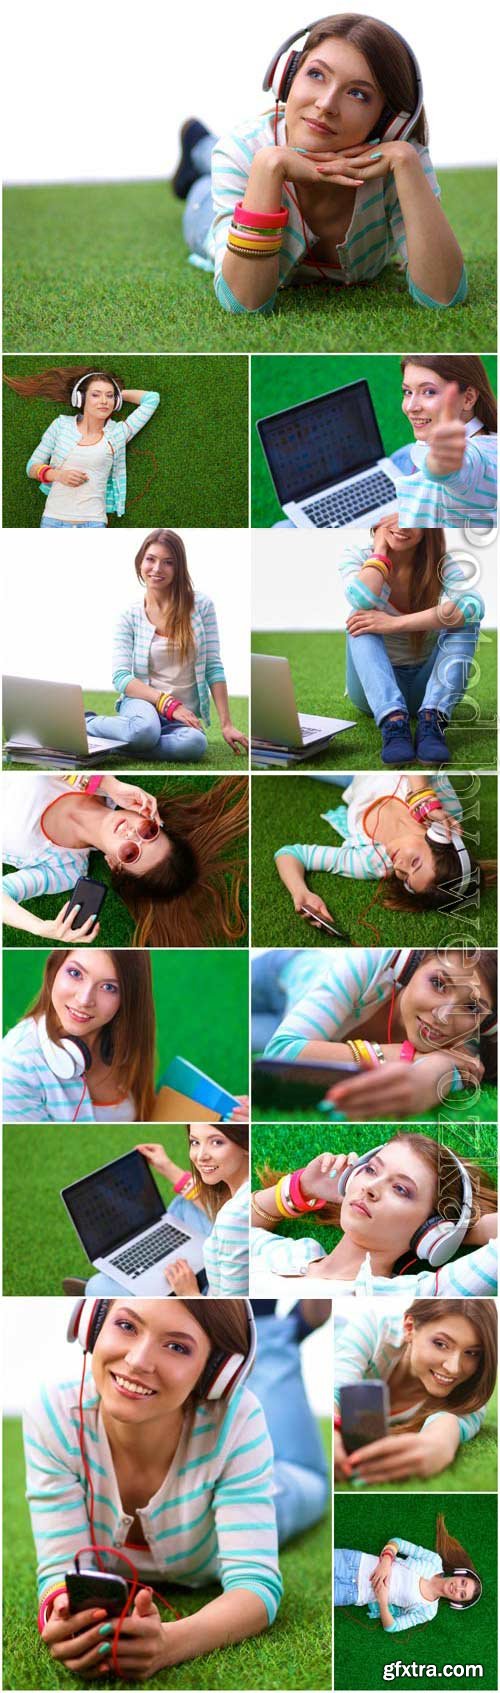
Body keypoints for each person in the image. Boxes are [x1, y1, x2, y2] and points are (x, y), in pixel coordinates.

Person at [24, 1299, 283, 1678]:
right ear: (92, 1325)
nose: (138, 1361)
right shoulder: (54, 1415)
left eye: (177, 1346)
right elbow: (59, 1573)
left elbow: (256, 1583)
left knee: (304, 1486)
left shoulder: (239, 1419)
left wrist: (170, 1643)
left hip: (270, 1496)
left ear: (215, 1373)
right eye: (127, 1326)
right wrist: (59, 1610)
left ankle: (282, 1336)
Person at [172, 15, 466, 315]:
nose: (326, 104)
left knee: (215, 156)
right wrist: (267, 168)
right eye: (316, 74)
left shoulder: (403, 160)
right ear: (287, 77)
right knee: (204, 186)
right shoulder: (242, 152)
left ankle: (199, 144)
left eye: (358, 94)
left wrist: (406, 162)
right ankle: (199, 145)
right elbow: (244, 302)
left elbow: (443, 295)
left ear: (389, 121)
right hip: (212, 204)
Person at [2, 770, 248, 947]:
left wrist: (39, 927)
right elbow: (44, 752)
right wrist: (110, 785)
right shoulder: (102, 781)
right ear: (152, 818)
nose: (132, 834)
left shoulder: (65, 870)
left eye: (131, 853)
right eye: (148, 832)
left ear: (113, 864)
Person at [254, 946, 497, 1119]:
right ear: (411, 965)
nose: (444, 1016)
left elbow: (273, 1061)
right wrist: (407, 1056)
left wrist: (432, 1072)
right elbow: (283, 1052)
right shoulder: (372, 962)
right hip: (283, 971)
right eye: (438, 983)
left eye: (472, 1008)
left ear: (488, 1023)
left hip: (292, 1025)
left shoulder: (466, 1047)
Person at [250, 1133, 498, 1296]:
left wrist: (459, 1233)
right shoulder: (294, 1253)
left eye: (401, 1189)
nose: (370, 1187)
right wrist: (299, 1188)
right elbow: (230, 1225)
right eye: (370, 1170)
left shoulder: (414, 1295)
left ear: (432, 1230)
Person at [86, 528, 248, 763]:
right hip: (143, 706)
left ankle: (114, 745)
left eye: (168, 562)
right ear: (140, 562)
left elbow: (213, 666)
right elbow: (121, 678)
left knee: (194, 744)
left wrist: (227, 725)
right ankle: (87, 723)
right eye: (151, 559)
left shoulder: (201, 606)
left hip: (183, 716)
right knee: (145, 731)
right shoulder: (129, 616)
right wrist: (166, 703)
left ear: (179, 567)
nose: (157, 569)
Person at [339, 514, 486, 764]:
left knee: (466, 621)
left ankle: (433, 720)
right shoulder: (358, 555)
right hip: (373, 691)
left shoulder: (441, 563)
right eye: (394, 517)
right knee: (360, 616)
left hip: (426, 685)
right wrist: (380, 550)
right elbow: (361, 598)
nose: (403, 526)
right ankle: (393, 722)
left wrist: (394, 623)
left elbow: (473, 605)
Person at [274, 772, 494, 926]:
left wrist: (300, 892)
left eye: (405, 879)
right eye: (415, 863)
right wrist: (423, 796)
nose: (398, 866)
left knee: (278, 761)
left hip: (351, 780)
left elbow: (290, 854)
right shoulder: (446, 812)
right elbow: (419, 758)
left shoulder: (372, 862)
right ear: (440, 838)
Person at [334, 1297, 497, 1482]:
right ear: (410, 1328)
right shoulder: (373, 1329)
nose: (454, 1368)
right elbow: (336, 1388)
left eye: (472, 1353)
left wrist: (440, 1443)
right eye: (441, 1344)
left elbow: (450, 1423)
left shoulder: (471, 1394)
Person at [76, 1125, 250, 1298]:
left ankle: (156, 1292)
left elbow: (228, 1306)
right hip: (213, 1264)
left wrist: (189, 1292)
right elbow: (218, 1208)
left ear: (245, 1144)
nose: (201, 1156)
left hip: (205, 1294)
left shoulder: (234, 1220)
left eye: (217, 1142)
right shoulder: (245, 1192)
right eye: (195, 1142)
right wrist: (168, 1168)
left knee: (97, 1287)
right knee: (185, 1206)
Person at [1, 949, 156, 1123]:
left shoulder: (122, 1039)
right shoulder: (15, 1068)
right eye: (75, 973)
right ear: (55, 969)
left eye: (109, 987)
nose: (84, 1000)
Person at [5, 366, 160, 525]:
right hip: (53, 520)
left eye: (110, 396)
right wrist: (58, 475)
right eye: (95, 395)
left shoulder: (118, 433)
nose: (104, 401)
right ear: (80, 398)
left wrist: (119, 394)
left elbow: (152, 399)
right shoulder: (61, 425)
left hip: (94, 522)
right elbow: (31, 467)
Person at [391, 356, 497, 527]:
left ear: (468, 398)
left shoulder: (475, 462)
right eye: (407, 392)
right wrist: (409, 512)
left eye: (429, 392)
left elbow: (457, 469)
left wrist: (441, 461)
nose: (411, 407)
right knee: (402, 455)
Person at [334, 1516, 482, 1631]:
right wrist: (386, 1562)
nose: (458, 1588)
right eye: (463, 1583)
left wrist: (383, 1602)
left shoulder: (428, 1612)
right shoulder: (434, 1561)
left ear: (457, 1603)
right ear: (460, 1574)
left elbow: (392, 1627)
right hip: (354, 1562)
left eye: (462, 1594)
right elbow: (397, 1542)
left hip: (353, 1593)